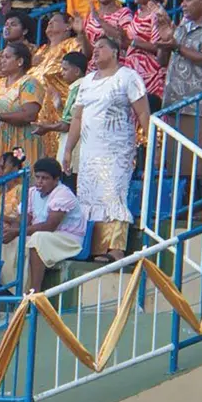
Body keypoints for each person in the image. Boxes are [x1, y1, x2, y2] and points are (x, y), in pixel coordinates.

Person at [60, 33, 149, 261]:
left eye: (101, 47)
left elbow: (142, 113)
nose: (96, 50)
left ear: (115, 52)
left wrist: (150, 146)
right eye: (95, 47)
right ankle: (98, 247)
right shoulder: (87, 81)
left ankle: (116, 246)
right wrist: (69, 149)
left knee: (113, 193)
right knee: (90, 196)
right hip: (90, 151)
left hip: (117, 149)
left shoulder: (128, 77)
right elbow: (77, 118)